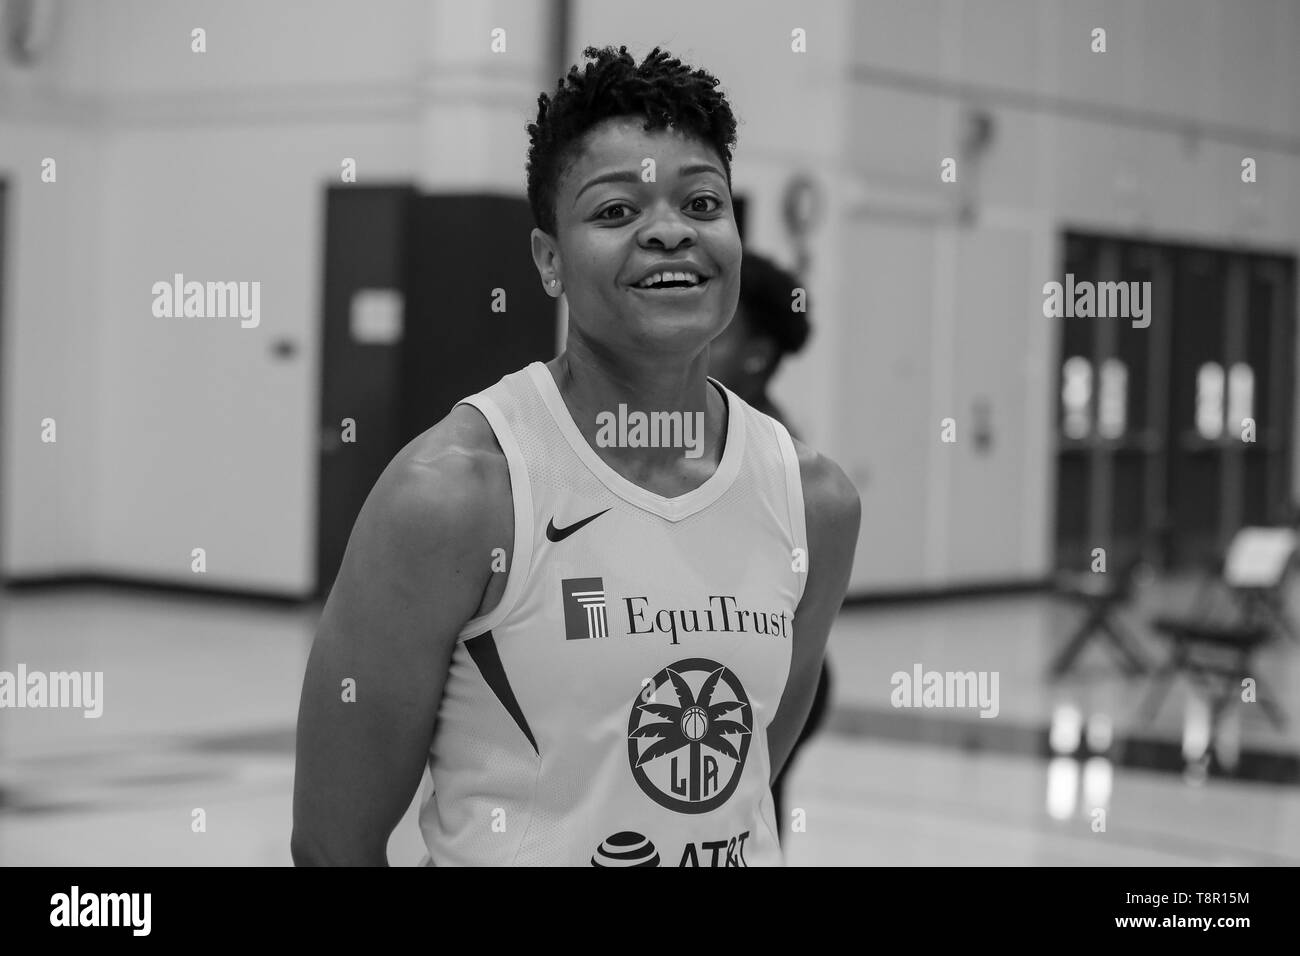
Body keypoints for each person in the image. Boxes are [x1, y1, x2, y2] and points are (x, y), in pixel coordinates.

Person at [291, 45, 860, 867]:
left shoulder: (815, 502)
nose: (670, 230)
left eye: (703, 201)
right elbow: (331, 846)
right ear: (549, 261)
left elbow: (752, 773)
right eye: (616, 211)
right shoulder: (454, 496)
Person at [707, 250, 832, 840]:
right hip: (723, 668)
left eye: (718, 332)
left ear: (757, 355)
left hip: (770, 673)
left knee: (747, 821)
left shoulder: (774, 457)